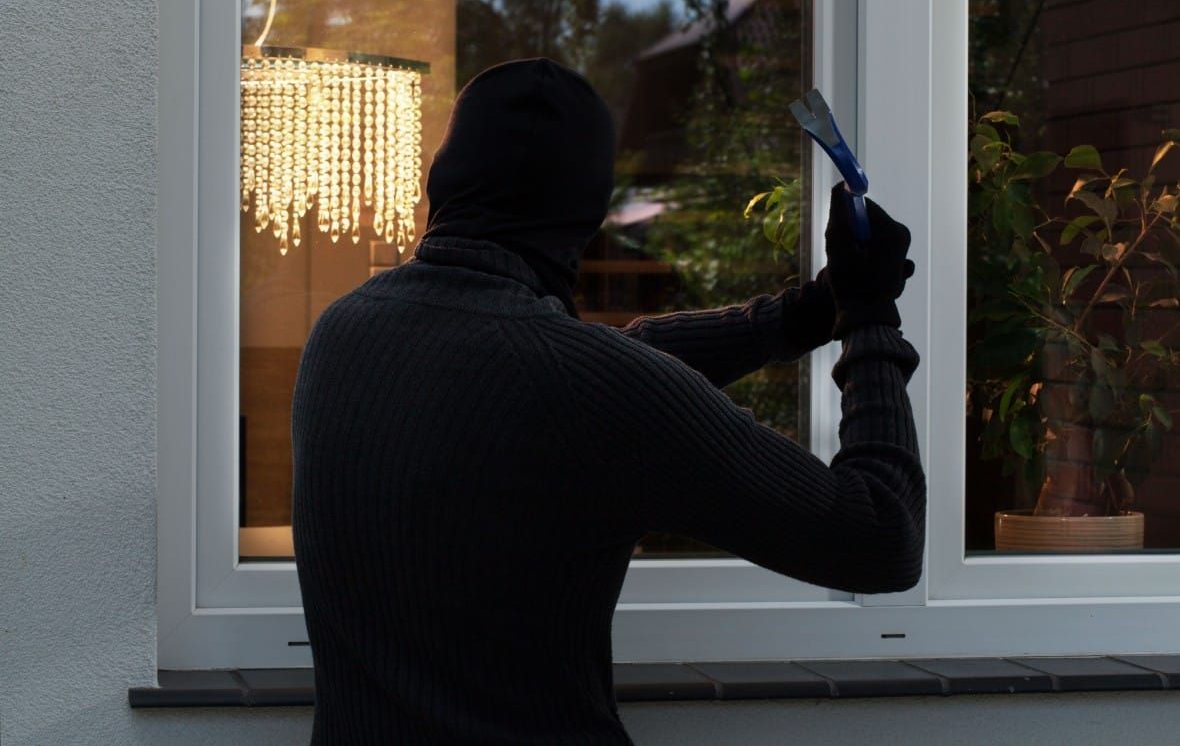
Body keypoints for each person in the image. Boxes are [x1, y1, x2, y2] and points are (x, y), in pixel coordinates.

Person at [291, 57, 924, 745]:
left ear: (438, 177)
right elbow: (881, 537)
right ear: (588, 213)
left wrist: (805, 313)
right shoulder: (582, 391)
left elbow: (589, 372)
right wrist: (869, 320)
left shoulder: (340, 335)